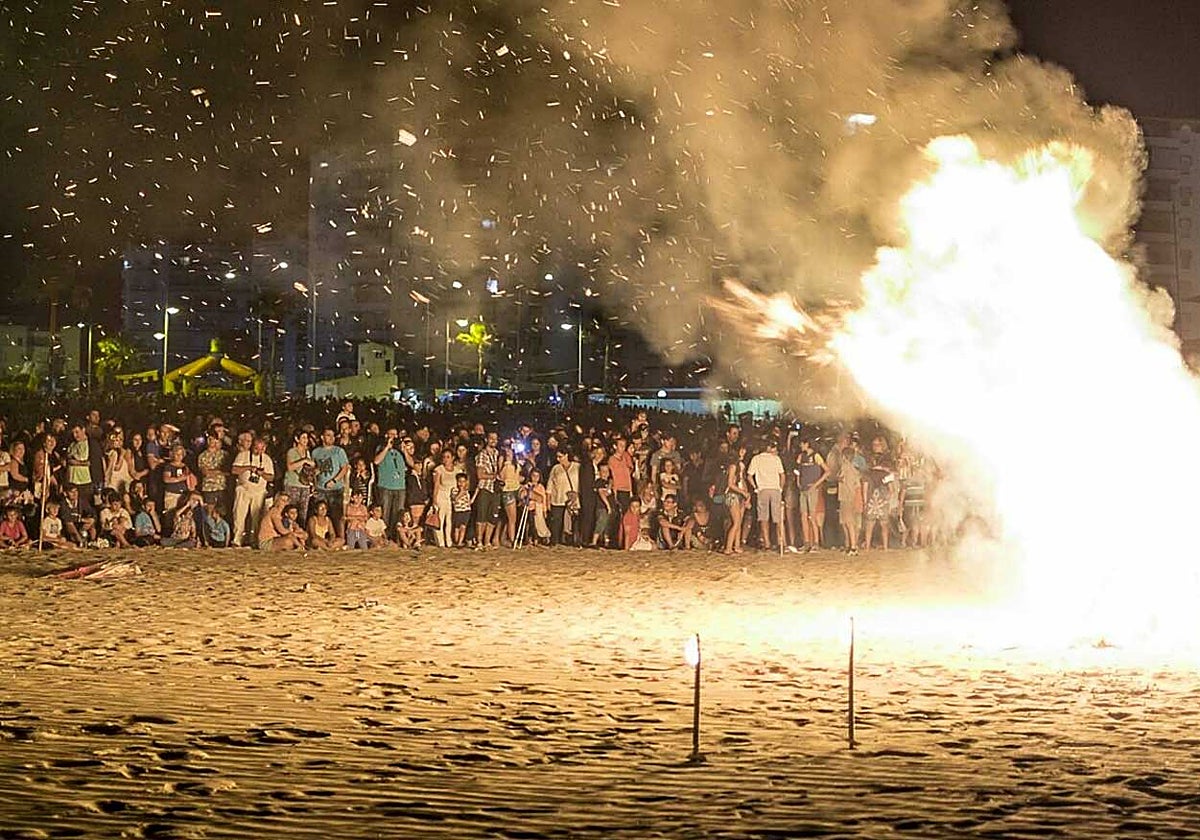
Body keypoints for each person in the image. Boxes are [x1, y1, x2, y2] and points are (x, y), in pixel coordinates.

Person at [231, 436, 275, 547]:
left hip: (258, 492)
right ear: (252, 447)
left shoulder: (267, 459)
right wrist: (249, 468)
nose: (258, 451)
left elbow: (271, 477)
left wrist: (262, 474)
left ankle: (254, 540)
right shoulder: (243, 455)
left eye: (261, 449)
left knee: (256, 517)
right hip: (243, 489)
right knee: (239, 516)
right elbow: (234, 470)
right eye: (256, 448)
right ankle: (237, 540)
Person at [747, 439, 786, 551]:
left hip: (762, 489)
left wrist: (756, 487)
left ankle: (767, 543)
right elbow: (782, 475)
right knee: (778, 518)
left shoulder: (756, 459)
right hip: (775, 489)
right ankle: (781, 542)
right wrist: (781, 488)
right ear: (768, 448)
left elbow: (749, 476)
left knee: (764, 518)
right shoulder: (776, 459)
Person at [311, 428, 350, 538]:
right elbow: (313, 469)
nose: (331, 438)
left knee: (337, 516)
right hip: (320, 488)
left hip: (335, 489)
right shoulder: (315, 452)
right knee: (319, 515)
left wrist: (334, 480)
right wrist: (314, 481)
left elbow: (345, 468)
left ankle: (340, 539)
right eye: (328, 435)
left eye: (333, 435)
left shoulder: (338, 451)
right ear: (322, 437)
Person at [795, 437, 827, 552]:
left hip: (812, 489)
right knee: (803, 515)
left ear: (807, 444)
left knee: (812, 515)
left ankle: (816, 543)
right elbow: (798, 470)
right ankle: (807, 542)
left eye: (802, 444)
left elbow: (827, 471)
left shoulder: (816, 456)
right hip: (803, 489)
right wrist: (798, 481)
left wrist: (816, 484)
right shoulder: (801, 456)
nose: (800, 446)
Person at [373, 428, 407, 536]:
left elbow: (411, 463)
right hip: (385, 486)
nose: (394, 436)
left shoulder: (400, 450)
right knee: (385, 513)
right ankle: (384, 536)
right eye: (391, 434)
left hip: (400, 487)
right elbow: (376, 461)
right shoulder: (381, 448)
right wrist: (387, 447)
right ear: (386, 435)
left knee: (398, 514)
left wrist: (405, 451)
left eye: (395, 434)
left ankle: (395, 536)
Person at [473, 431, 501, 549]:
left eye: (495, 438)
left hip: (495, 489)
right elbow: (480, 475)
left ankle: (487, 541)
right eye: (491, 438)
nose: (493, 440)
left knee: (493, 516)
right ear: (487, 440)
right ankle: (479, 541)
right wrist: (494, 476)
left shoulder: (497, 453)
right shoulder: (482, 455)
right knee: (482, 516)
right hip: (485, 488)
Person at [546, 449, 580, 546]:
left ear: (566, 455)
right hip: (558, 498)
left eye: (560, 456)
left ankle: (572, 540)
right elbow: (550, 485)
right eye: (557, 457)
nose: (558, 459)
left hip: (573, 500)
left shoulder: (577, 467)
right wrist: (548, 501)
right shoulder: (556, 468)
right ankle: (555, 540)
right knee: (556, 521)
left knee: (573, 521)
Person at [430, 449, 458, 548]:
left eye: (448, 457)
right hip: (441, 496)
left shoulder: (457, 470)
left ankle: (448, 540)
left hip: (451, 498)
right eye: (444, 457)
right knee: (440, 519)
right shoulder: (439, 469)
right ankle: (440, 541)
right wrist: (434, 499)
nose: (446, 459)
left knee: (449, 520)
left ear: (453, 458)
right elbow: (436, 485)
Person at [450, 473, 474, 548]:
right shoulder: (455, 490)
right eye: (459, 481)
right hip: (458, 511)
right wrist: (461, 492)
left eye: (463, 482)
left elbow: (469, 501)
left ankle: (460, 542)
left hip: (466, 510)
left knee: (463, 527)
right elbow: (455, 499)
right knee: (457, 527)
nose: (461, 483)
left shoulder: (466, 491)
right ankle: (456, 540)